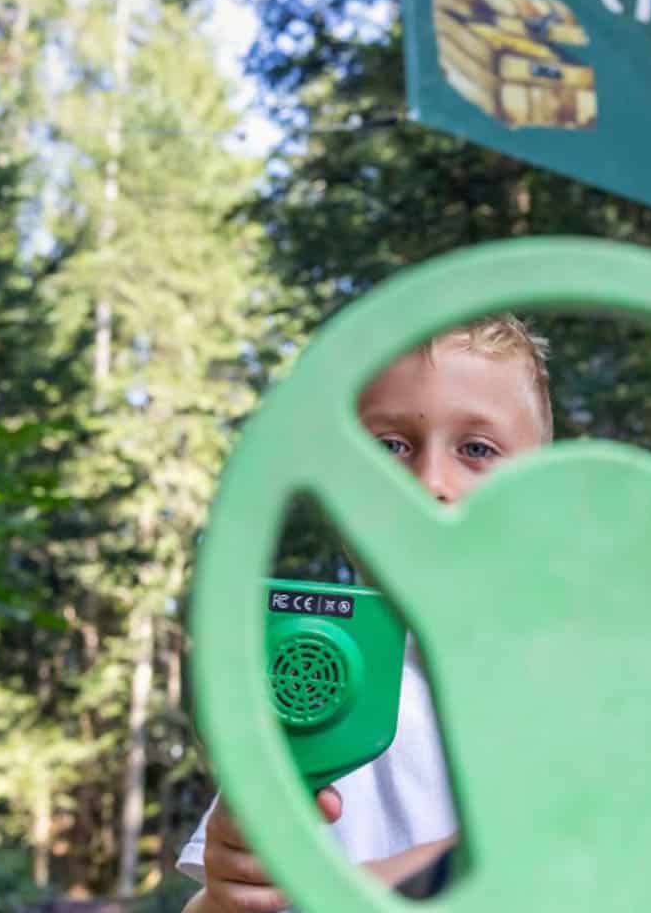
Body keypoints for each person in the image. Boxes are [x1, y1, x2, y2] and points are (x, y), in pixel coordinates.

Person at [180, 314, 555, 912]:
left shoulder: (590, 687)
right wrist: (227, 895)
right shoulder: (317, 684)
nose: (429, 482)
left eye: (477, 449)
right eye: (390, 447)